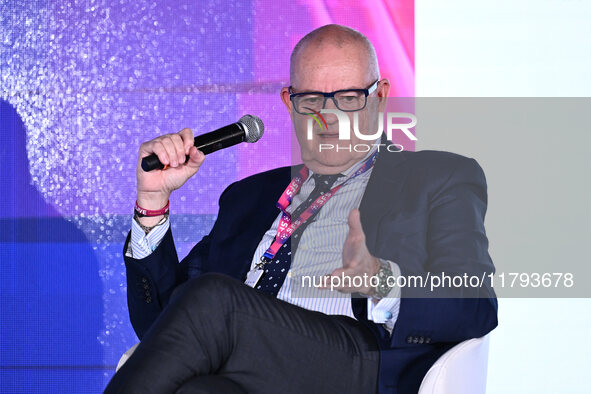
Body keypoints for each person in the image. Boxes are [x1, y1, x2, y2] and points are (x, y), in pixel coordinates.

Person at [105, 24, 497, 393]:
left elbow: (475, 305)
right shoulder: (248, 197)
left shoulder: (437, 177)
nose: (328, 118)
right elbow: (164, 324)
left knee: (214, 299)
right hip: (246, 367)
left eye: (347, 98)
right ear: (289, 102)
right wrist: (153, 202)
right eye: (311, 100)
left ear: (379, 96)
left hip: (356, 362)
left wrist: (381, 280)